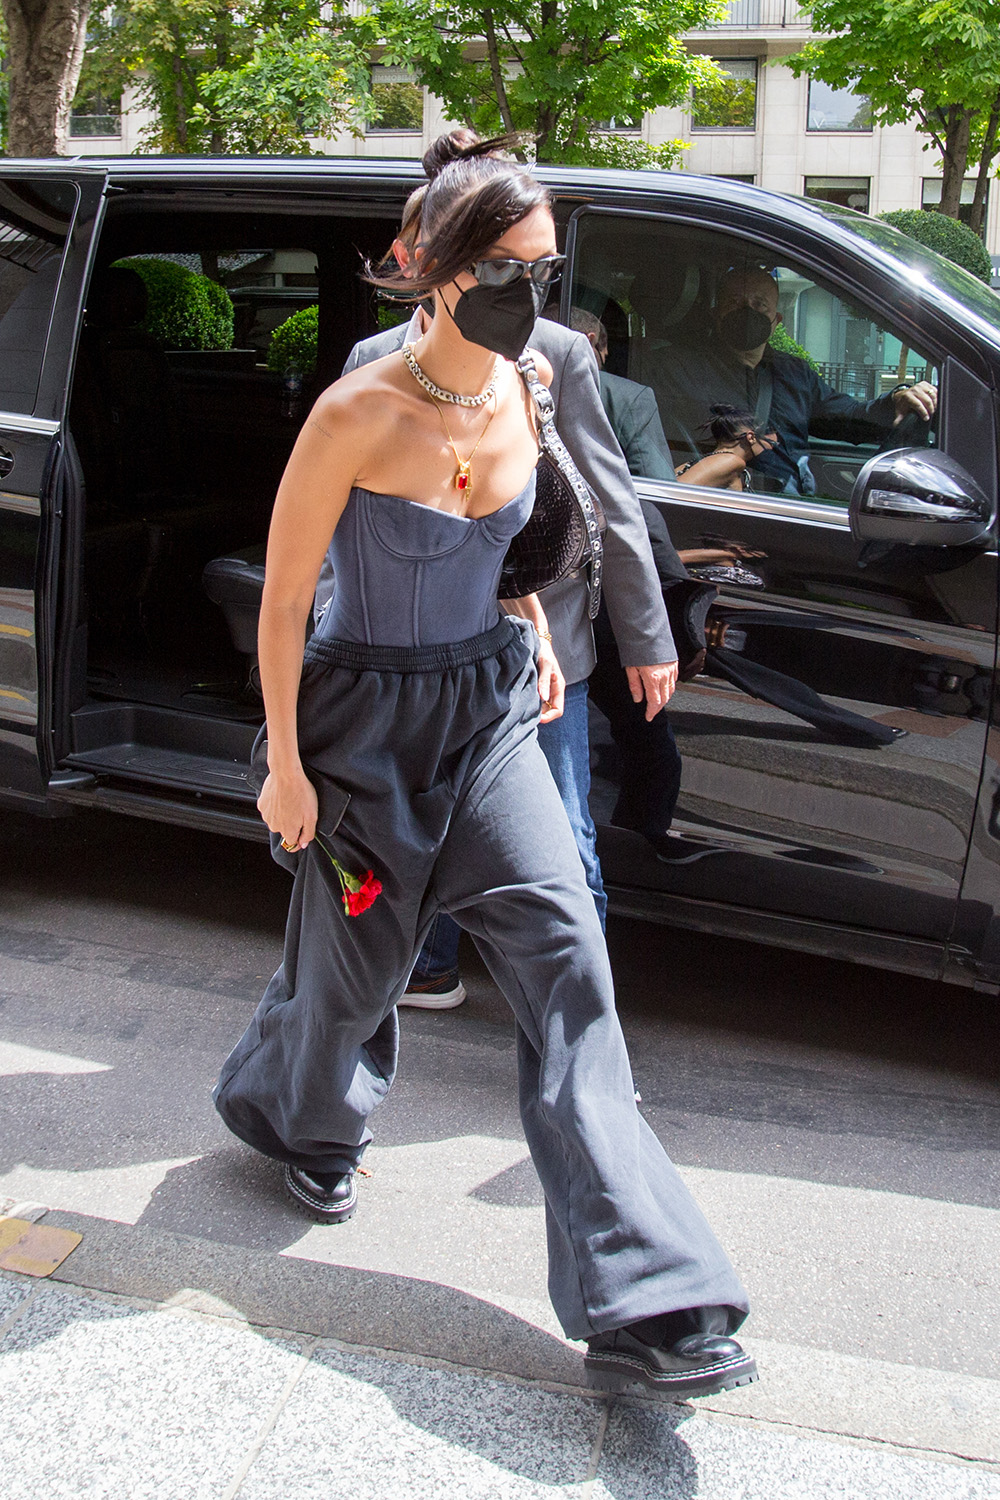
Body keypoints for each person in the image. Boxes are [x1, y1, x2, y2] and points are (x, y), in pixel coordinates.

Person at [214, 133, 756, 1401]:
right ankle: (294, 1116)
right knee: (354, 983)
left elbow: (522, 537)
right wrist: (284, 766)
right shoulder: (356, 406)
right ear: (437, 268)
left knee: (570, 962)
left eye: (547, 268)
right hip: (357, 731)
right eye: (509, 267)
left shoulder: (532, 387)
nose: (533, 293)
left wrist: (523, 626)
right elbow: (288, 599)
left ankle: (648, 1294)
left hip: (492, 717)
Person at [321, 132, 683, 1012]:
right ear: (419, 260)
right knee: (424, 824)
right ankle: (432, 967)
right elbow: (343, 534)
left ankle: (579, 1027)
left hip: (539, 648)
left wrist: (644, 632)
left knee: (560, 846)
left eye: (532, 269)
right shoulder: (370, 370)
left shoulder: (554, 355)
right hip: (419, 654)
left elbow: (608, 501)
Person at [652, 265, 938, 495]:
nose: (746, 311)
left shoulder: (795, 374)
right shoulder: (678, 369)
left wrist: (895, 402)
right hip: (730, 505)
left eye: (759, 305)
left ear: (776, 320)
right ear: (716, 314)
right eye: (734, 302)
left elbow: (847, 418)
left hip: (793, 505)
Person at [568, 307, 676, 481]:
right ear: (588, 342)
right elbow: (658, 486)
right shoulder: (631, 399)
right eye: (602, 346)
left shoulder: (515, 382)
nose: (607, 354)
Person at [675, 404, 778, 492]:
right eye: (772, 443)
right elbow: (674, 495)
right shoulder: (731, 461)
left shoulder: (706, 461)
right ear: (751, 437)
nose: (772, 449)